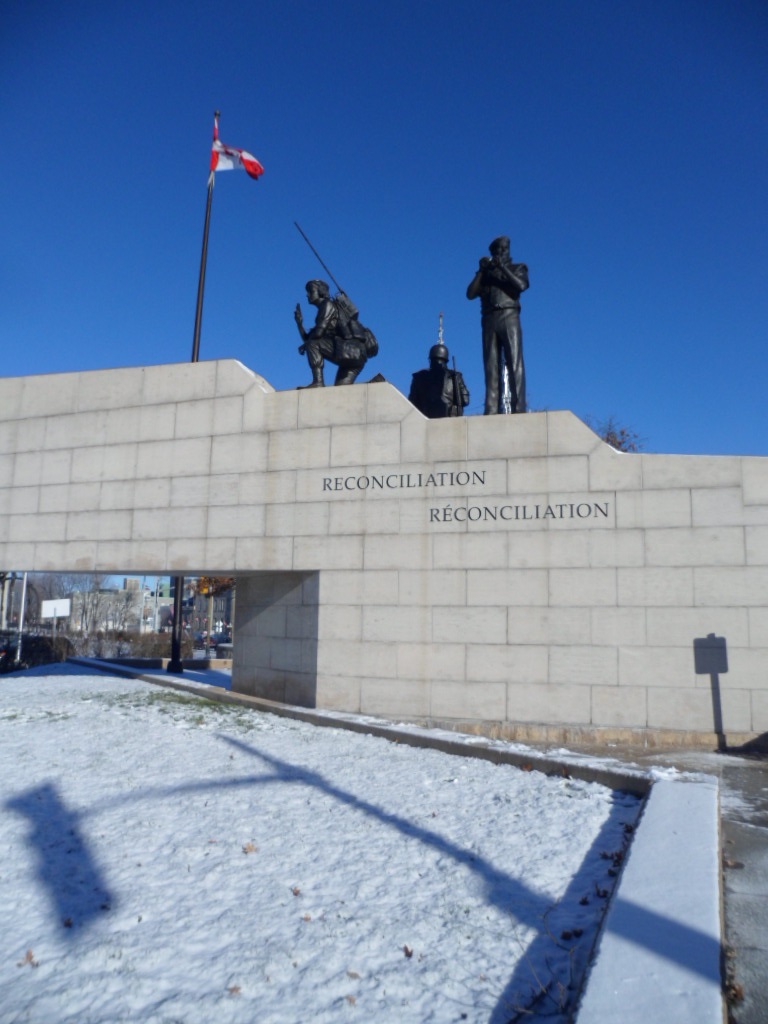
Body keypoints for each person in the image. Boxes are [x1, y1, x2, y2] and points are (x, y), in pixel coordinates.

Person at [466, 236, 528, 414]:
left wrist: (502, 268)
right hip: (489, 319)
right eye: (497, 251)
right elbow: (470, 294)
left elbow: (521, 285)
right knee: (491, 366)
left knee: (514, 362)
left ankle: (519, 407)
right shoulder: (486, 276)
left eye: (504, 250)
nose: (501, 254)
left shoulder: (518, 268)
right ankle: (492, 408)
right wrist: (480, 272)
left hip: (509, 315)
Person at [294, 280, 377, 387]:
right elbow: (309, 339)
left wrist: (307, 344)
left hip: (349, 351)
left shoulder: (327, 305)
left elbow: (316, 337)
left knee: (312, 344)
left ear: (321, 291)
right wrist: (299, 324)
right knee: (340, 390)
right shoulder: (328, 307)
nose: (308, 294)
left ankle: (318, 382)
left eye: (311, 291)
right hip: (357, 355)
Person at [408, 321, 469, 418]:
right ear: (446, 360)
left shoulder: (418, 377)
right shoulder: (455, 376)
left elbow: (411, 403)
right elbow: (465, 400)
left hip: (424, 423)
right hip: (449, 422)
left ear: (430, 359)